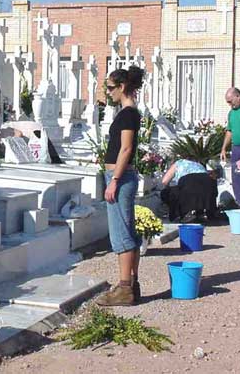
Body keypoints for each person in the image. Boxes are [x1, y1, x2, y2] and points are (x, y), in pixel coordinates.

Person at [95, 66, 143, 307]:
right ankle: (130, 284)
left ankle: (124, 288)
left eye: (111, 88)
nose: (109, 92)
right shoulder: (130, 113)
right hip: (122, 176)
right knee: (128, 231)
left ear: (122, 87)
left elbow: (125, 148)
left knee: (121, 233)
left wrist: (113, 180)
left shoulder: (127, 114)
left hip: (120, 177)